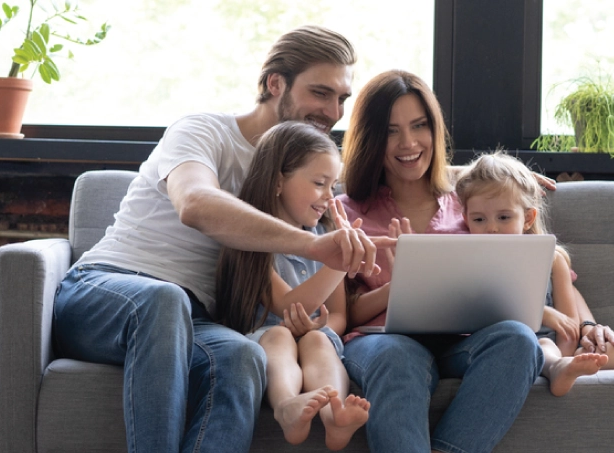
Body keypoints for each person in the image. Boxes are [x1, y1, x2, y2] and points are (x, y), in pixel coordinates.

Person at [51, 26, 389, 452]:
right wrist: (308, 245)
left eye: (341, 98)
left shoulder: (303, 174)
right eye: (320, 93)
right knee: (164, 300)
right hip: (107, 290)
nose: (333, 111)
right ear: (274, 83)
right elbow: (195, 203)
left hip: (198, 319)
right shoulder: (203, 131)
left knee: (242, 355)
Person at [335, 69, 543, 453]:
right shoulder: (345, 213)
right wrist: (399, 289)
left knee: (519, 340)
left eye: (419, 126)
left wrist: (579, 320)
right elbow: (341, 315)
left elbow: (522, 266)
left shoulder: (469, 205)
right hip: (382, 342)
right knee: (397, 356)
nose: (409, 142)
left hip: (459, 342)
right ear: (371, 137)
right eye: (391, 130)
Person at [454, 152, 614, 397]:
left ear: (528, 218)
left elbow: (570, 324)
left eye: (504, 217)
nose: (492, 228)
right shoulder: (470, 262)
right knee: (543, 345)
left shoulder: (553, 260)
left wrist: (571, 353)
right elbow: (476, 316)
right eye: (479, 219)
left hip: (560, 346)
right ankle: (557, 367)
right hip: (510, 348)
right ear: (466, 219)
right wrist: (542, 314)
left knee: (606, 352)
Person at [215, 121, 371, 450]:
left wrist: (323, 324)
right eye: (319, 183)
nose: (330, 197)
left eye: (333, 186)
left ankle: (333, 416)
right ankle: (286, 406)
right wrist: (339, 261)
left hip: (316, 334)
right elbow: (286, 307)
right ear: (276, 182)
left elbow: (341, 315)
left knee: (318, 340)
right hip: (266, 334)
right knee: (281, 335)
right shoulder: (251, 240)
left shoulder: (324, 237)